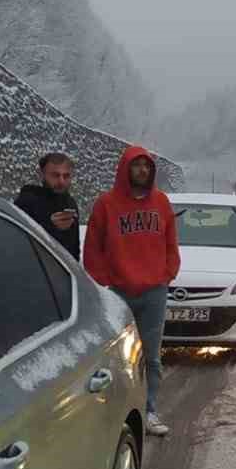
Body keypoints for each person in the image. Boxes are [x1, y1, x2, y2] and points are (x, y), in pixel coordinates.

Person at [83, 146, 180, 436]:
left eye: (146, 166)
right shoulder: (106, 204)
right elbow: (93, 248)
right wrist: (105, 282)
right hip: (118, 292)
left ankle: (149, 410)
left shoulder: (161, 203)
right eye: (136, 165)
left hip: (153, 292)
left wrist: (167, 274)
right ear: (125, 169)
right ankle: (112, 412)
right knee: (115, 356)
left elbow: (171, 244)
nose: (142, 170)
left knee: (151, 356)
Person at [15, 152, 81, 260]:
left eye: (66, 176)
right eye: (55, 175)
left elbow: (74, 249)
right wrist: (51, 226)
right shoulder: (27, 202)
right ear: (42, 175)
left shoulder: (71, 203)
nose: (61, 181)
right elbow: (18, 244)